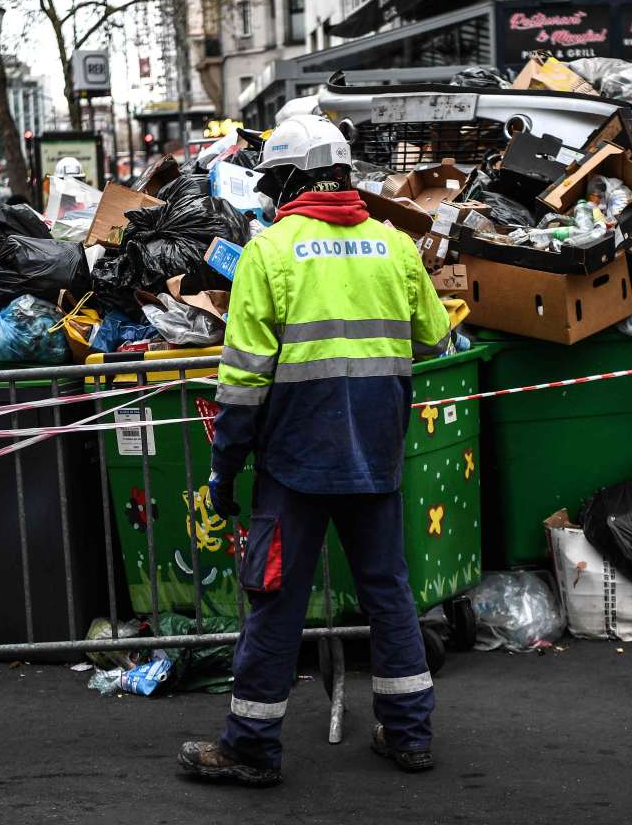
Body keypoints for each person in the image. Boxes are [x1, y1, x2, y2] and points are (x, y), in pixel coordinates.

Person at [177, 115, 452, 787]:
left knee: (275, 602)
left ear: (293, 179)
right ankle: (409, 734)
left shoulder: (270, 253)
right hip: (377, 456)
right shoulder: (395, 248)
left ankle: (250, 748)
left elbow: (242, 380)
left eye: (274, 180)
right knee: (389, 595)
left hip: (295, 463)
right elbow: (434, 339)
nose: (271, 194)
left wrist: (225, 469)